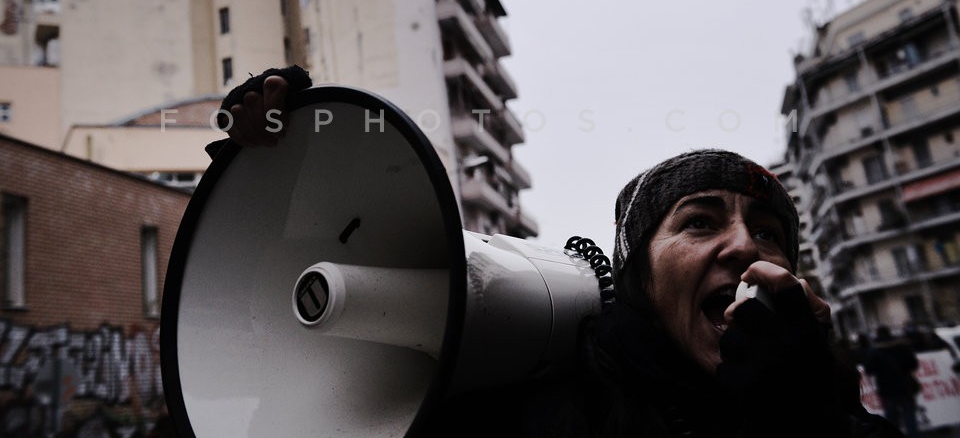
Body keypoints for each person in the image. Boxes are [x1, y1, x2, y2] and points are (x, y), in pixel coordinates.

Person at [214, 67, 901, 437]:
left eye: (771, 233)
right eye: (698, 222)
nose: (745, 245)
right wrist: (285, 184)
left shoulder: (829, 406)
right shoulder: (543, 408)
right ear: (635, 273)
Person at [863, 326, 921, 438]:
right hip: (905, 386)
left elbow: (869, 369)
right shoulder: (902, 346)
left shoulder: (874, 350)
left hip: (886, 389)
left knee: (892, 420)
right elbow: (913, 364)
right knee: (909, 417)